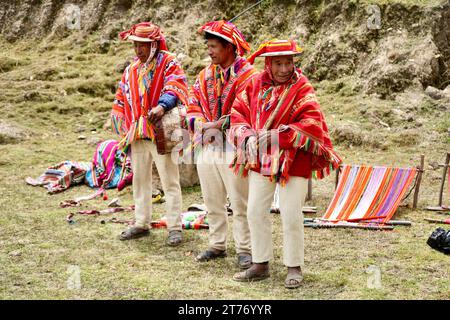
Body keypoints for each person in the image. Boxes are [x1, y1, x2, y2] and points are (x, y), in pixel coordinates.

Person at [229, 39, 342, 288]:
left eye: (288, 62)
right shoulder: (255, 84)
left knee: (291, 214)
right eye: (278, 63)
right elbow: (238, 113)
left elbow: (312, 123)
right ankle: (260, 263)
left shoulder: (302, 87)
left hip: (294, 159)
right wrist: (246, 133)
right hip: (262, 158)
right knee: (255, 210)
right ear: (268, 64)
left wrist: (278, 136)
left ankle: (294, 266)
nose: (284, 69)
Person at [110, 22, 189, 246]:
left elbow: (176, 85)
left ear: (154, 44)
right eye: (136, 45)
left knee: (169, 180)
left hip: (160, 131)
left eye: (143, 45)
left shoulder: (168, 62)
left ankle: (175, 227)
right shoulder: (131, 70)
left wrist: (162, 105)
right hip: (137, 132)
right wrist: (120, 119)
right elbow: (122, 96)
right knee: (140, 179)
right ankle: (141, 223)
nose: (138, 50)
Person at [187, 20, 257, 269]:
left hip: (234, 148)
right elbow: (192, 103)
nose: (209, 51)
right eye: (208, 46)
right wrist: (200, 124)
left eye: (214, 46)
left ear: (230, 47)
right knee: (212, 199)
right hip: (207, 145)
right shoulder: (205, 74)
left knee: (240, 202)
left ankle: (246, 249)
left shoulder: (250, 76)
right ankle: (217, 244)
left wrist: (219, 125)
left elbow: (249, 110)